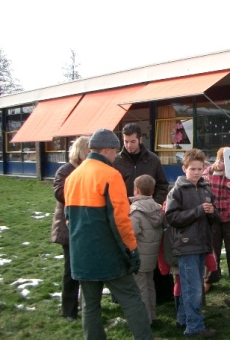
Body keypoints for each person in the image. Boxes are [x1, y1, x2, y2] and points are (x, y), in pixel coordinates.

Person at [64, 128, 154, 340]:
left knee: (90, 305)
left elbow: (69, 219)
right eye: (115, 151)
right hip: (109, 254)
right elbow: (121, 220)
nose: (116, 155)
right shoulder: (111, 175)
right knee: (132, 299)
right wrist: (132, 250)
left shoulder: (72, 176)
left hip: (81, 253)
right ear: (106, 149)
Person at [113, 122, 172, 304]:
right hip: (124, 212)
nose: (129, 145)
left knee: (152, 254)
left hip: (150, 214)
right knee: (125, 253)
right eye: (125, 141)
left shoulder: (152, 160)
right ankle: (124, 297)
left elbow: (162, 184)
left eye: (132, 141)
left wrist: (154, 202)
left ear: (140, 139)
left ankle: (159, 296)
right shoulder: (116, 161)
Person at [165, 148, 220, 338]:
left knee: (191, 286)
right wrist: (198, 211)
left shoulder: (206, 189)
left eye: (199, 168)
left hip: (201, 244)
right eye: (193, 169)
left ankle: (183, 319)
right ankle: (194, 326)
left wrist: (212, 213)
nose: (196, 172)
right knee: (193, 289)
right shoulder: (177, 190)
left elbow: (214, 219)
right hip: (186, 245)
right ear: (184, 168)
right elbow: (171, 217)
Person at [51, 135, 89, 322]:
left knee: (85, 268)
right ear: (82, 150)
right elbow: (59, 193)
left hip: (85, 225)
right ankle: (69, 310)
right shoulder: (65, 170)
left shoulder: (89, 169)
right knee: (71, 270)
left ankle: (85, 304)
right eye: (89, 150)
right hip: (69, 227)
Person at [202, 147, 230, 293]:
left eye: (225, 160)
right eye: (219, 159)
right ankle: (209, 279)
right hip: (212, 219)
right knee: (212, 250)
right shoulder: (208, 173)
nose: (221, 163)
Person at [129, 174, 164, 325]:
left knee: (140, 288)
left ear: (136, 190)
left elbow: (132, 232)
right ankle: (153, 315)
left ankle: (144, 320)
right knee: (150, 286)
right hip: (152, 254)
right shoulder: (157, 209)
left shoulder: (136, 211)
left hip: (140, 255)